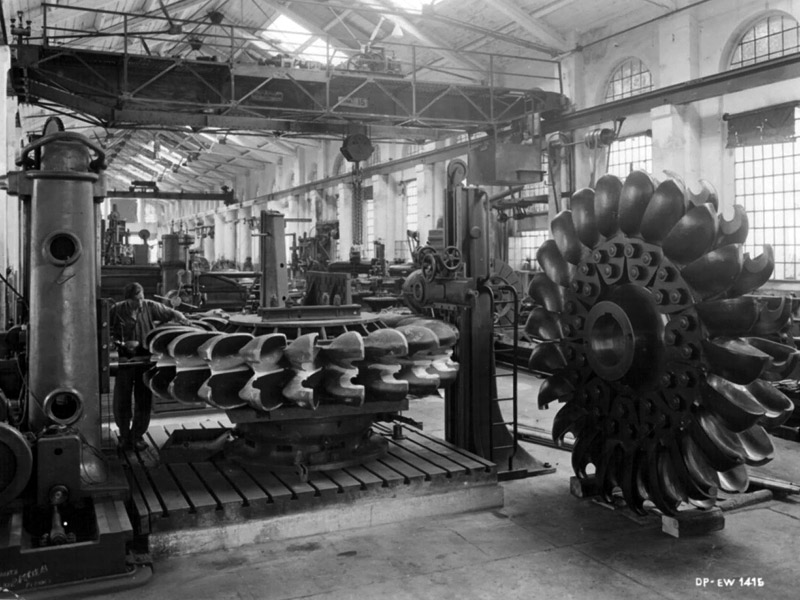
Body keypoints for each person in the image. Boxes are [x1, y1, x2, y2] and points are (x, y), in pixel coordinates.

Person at [110, 282, 191, 451]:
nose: (140, 302)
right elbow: (106, 330)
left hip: (145, 360)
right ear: (127, 300)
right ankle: (124, 435)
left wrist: (182, 318)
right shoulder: (116, 310)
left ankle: (137, 436)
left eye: (141, 298)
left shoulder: (150, 306)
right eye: (136, 300)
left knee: (143, 398)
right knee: (122, 399)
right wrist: (117, 343)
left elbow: (171, 313)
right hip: (125, 361)